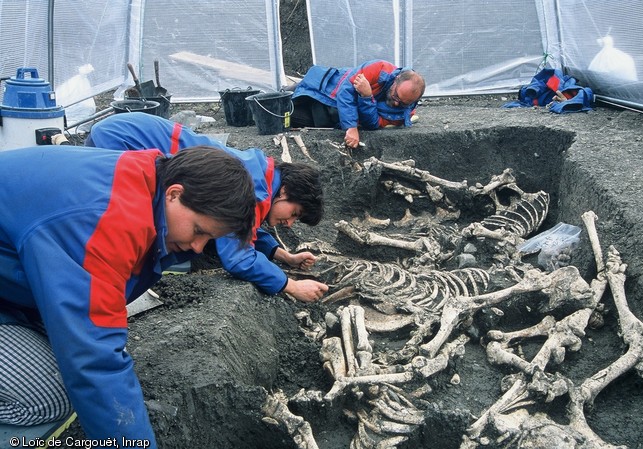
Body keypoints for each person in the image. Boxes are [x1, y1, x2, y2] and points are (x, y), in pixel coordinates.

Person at [0, 145, 256, 446]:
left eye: (209, 239)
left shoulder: (143, 183)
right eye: (199, 231)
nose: (198, 248)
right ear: (174, 194)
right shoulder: (104, 222)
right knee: (48, 397)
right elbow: (93, 360)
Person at [86, 112, 329, 303]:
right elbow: (238, 258)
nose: (289, 223)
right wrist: (292, 286)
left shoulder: (261, 176)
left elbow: (242, 227)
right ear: (284, 192)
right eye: (294, 214)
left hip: (121, 130)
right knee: (130, 231)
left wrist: (282, 255)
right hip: (122, 142)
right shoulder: (252, 187)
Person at [290, 59, 425, 148]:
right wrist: (351, 126)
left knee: (287, 115)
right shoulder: (380, 68)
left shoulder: (402, 114)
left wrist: (366, 96)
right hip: (325, 87)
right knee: (290, 94)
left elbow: (372, 123)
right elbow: (345, 90)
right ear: (396, 79)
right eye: (396, 96)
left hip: (329, 113)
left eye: (402, 103)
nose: (396, 104)